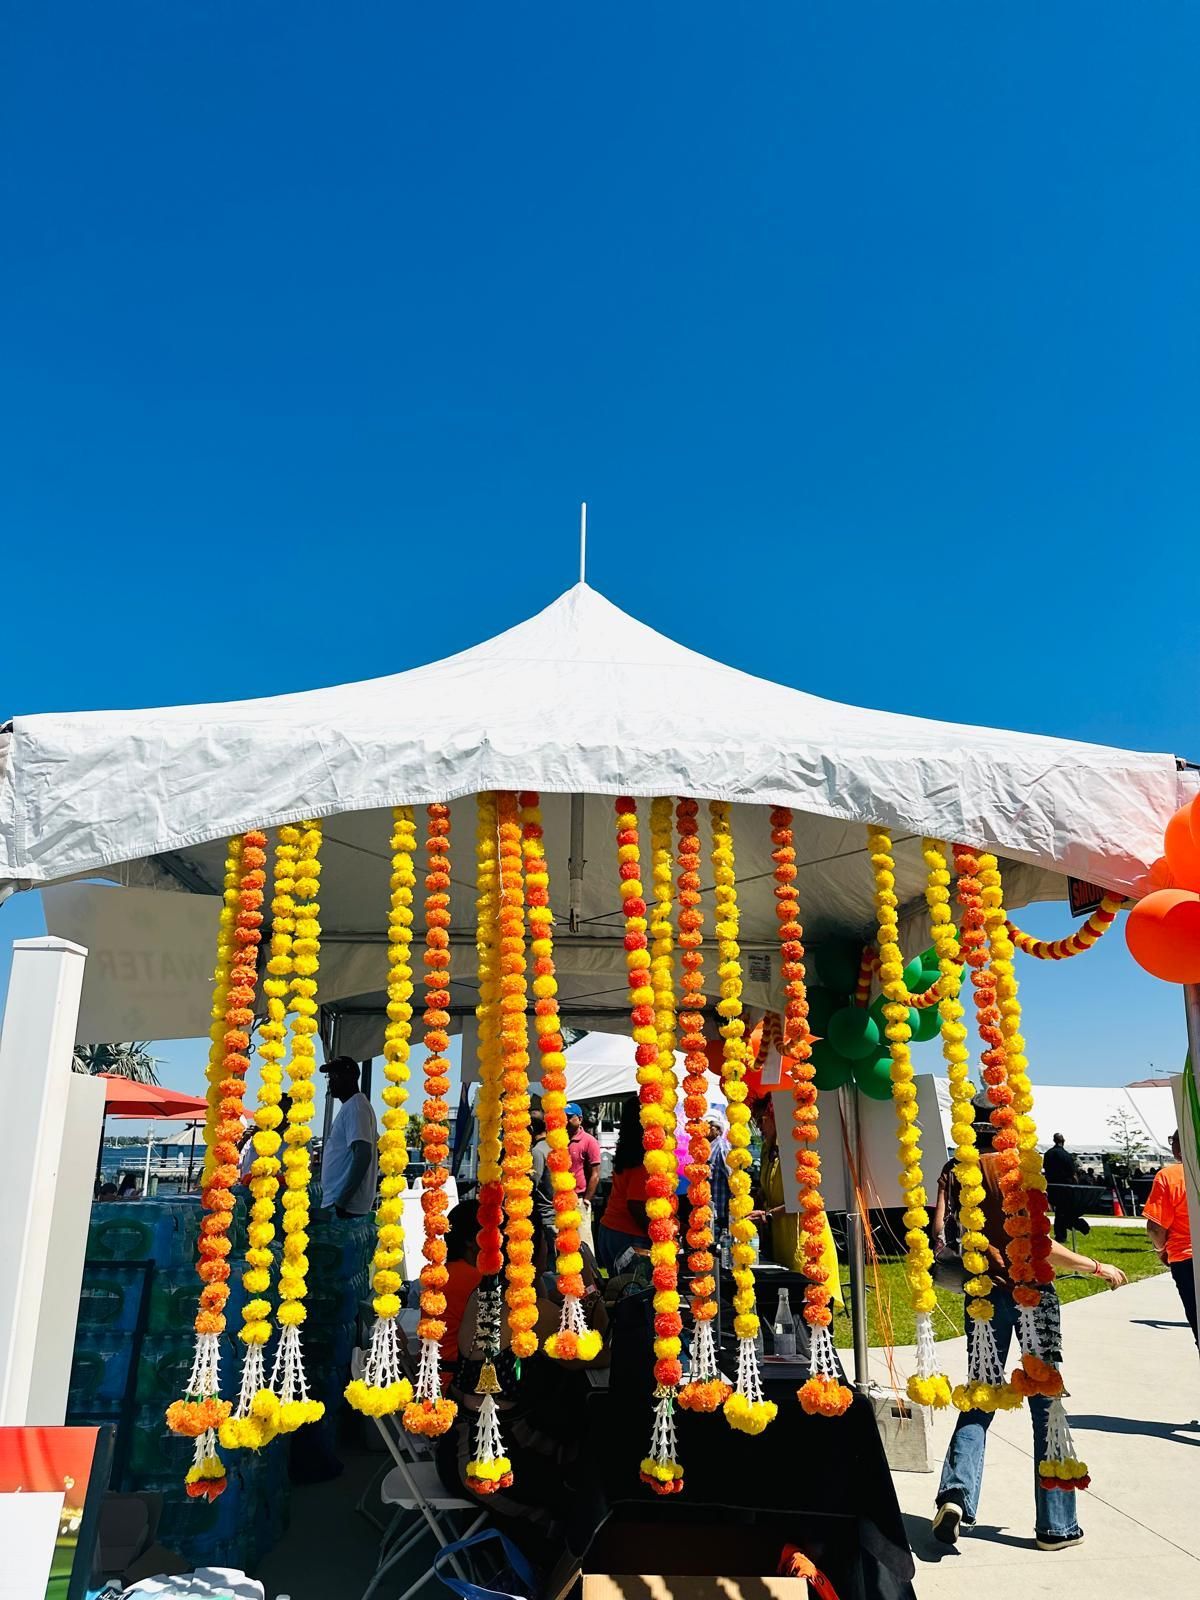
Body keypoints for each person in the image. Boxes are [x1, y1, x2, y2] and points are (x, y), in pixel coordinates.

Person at [932, 1094, 1127, 1552]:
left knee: (981, 1393)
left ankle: (956, 1495)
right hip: (1032, 1294)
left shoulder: (956, 1168)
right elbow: (1041, 1246)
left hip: (981, 1292)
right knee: (1047, 1403)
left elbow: (940, 1232)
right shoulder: (1020, 1168)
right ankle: (1056, 1527)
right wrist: (1095, 1267)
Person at [749, 1096, 843, 1305]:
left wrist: (768, 1215)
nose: (758, 1126)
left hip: (805, 1238)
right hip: (780, 1239)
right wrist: (759, 1196)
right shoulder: (766, 1150)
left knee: (810, 1303)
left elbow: (807, 1198)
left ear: (774, 1117)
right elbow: (770, 1188)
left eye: (761, 1119)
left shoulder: (798, 1150)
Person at [1144, 1130, 1196, 1344]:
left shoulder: (1170, 1176)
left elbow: (1155, 1228)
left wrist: (1160, 1251)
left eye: (1172, 1140)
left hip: (1187, 1259)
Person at [318, 1056, 378, 1217]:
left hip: (344, 1207)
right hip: (340, 1204)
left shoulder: (356, 1108)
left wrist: (342, 1201)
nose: (330, 1082)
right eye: (329, 1077)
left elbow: (363, 1154)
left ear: (350, 1078)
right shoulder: (354, 1106)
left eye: (334, 1076)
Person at [596, 1096, 649, 1269]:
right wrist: (658, 1234)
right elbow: (635, 1204)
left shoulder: (629, 1148)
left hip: (612, 1230)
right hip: (629, 1236)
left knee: (618, 1290)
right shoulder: (642, 1158)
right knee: (633, 1292)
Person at [440, 1200, 483, 1365]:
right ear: (470, 1241)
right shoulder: (475, 1279)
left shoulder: (445, 1272)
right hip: (454, 1380)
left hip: (436, 1376)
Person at [565, 1103, 601, 1250]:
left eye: (569, 1117)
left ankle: (590, 1273)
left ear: (579, 1119)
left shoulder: (589, 1141)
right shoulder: (559, 1140)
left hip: (579, 1199)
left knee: (584, 1242)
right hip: (562, 1199)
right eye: (563, 1117)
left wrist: (586, 1199)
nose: (565, 1121)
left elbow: (595, 1174)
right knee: (565, 1243)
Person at [1043, 1132, 1089, 1242]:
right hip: (1065, 1186)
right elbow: (1072, 1172)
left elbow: (1045, 1168)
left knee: (1060, 1211)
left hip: (1052, 1186)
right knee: (1065, 1211)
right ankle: (1075, 1226)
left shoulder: (1048, 1153)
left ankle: (1061, 1233)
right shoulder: (1066, 1155)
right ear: (1063, 1141)